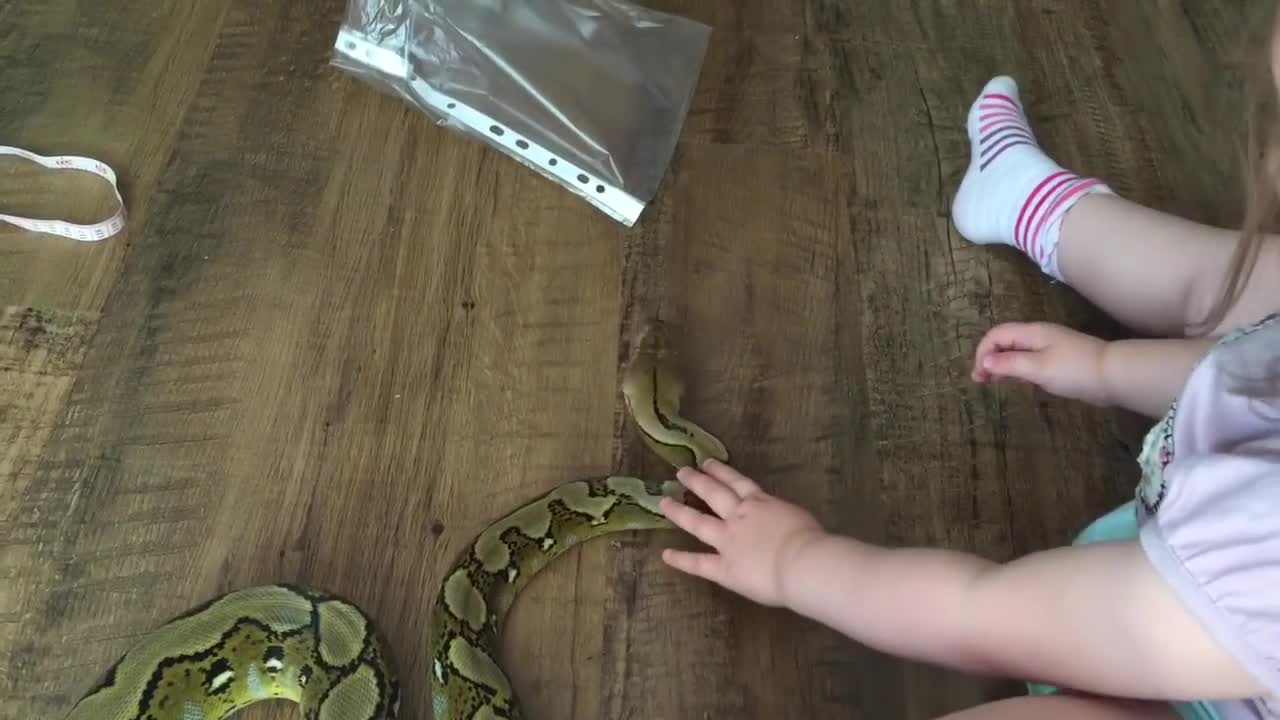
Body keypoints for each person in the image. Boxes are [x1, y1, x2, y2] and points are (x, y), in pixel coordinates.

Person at [656, 13, 1280, 720]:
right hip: (1202, 586)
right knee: (1252, 286)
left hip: (1184, 627)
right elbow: (1251, 365)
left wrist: (793, 560)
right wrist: (1109, 368)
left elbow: (981, 616)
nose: (1265, 158)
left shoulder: (1263, 564)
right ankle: (1029, 198)